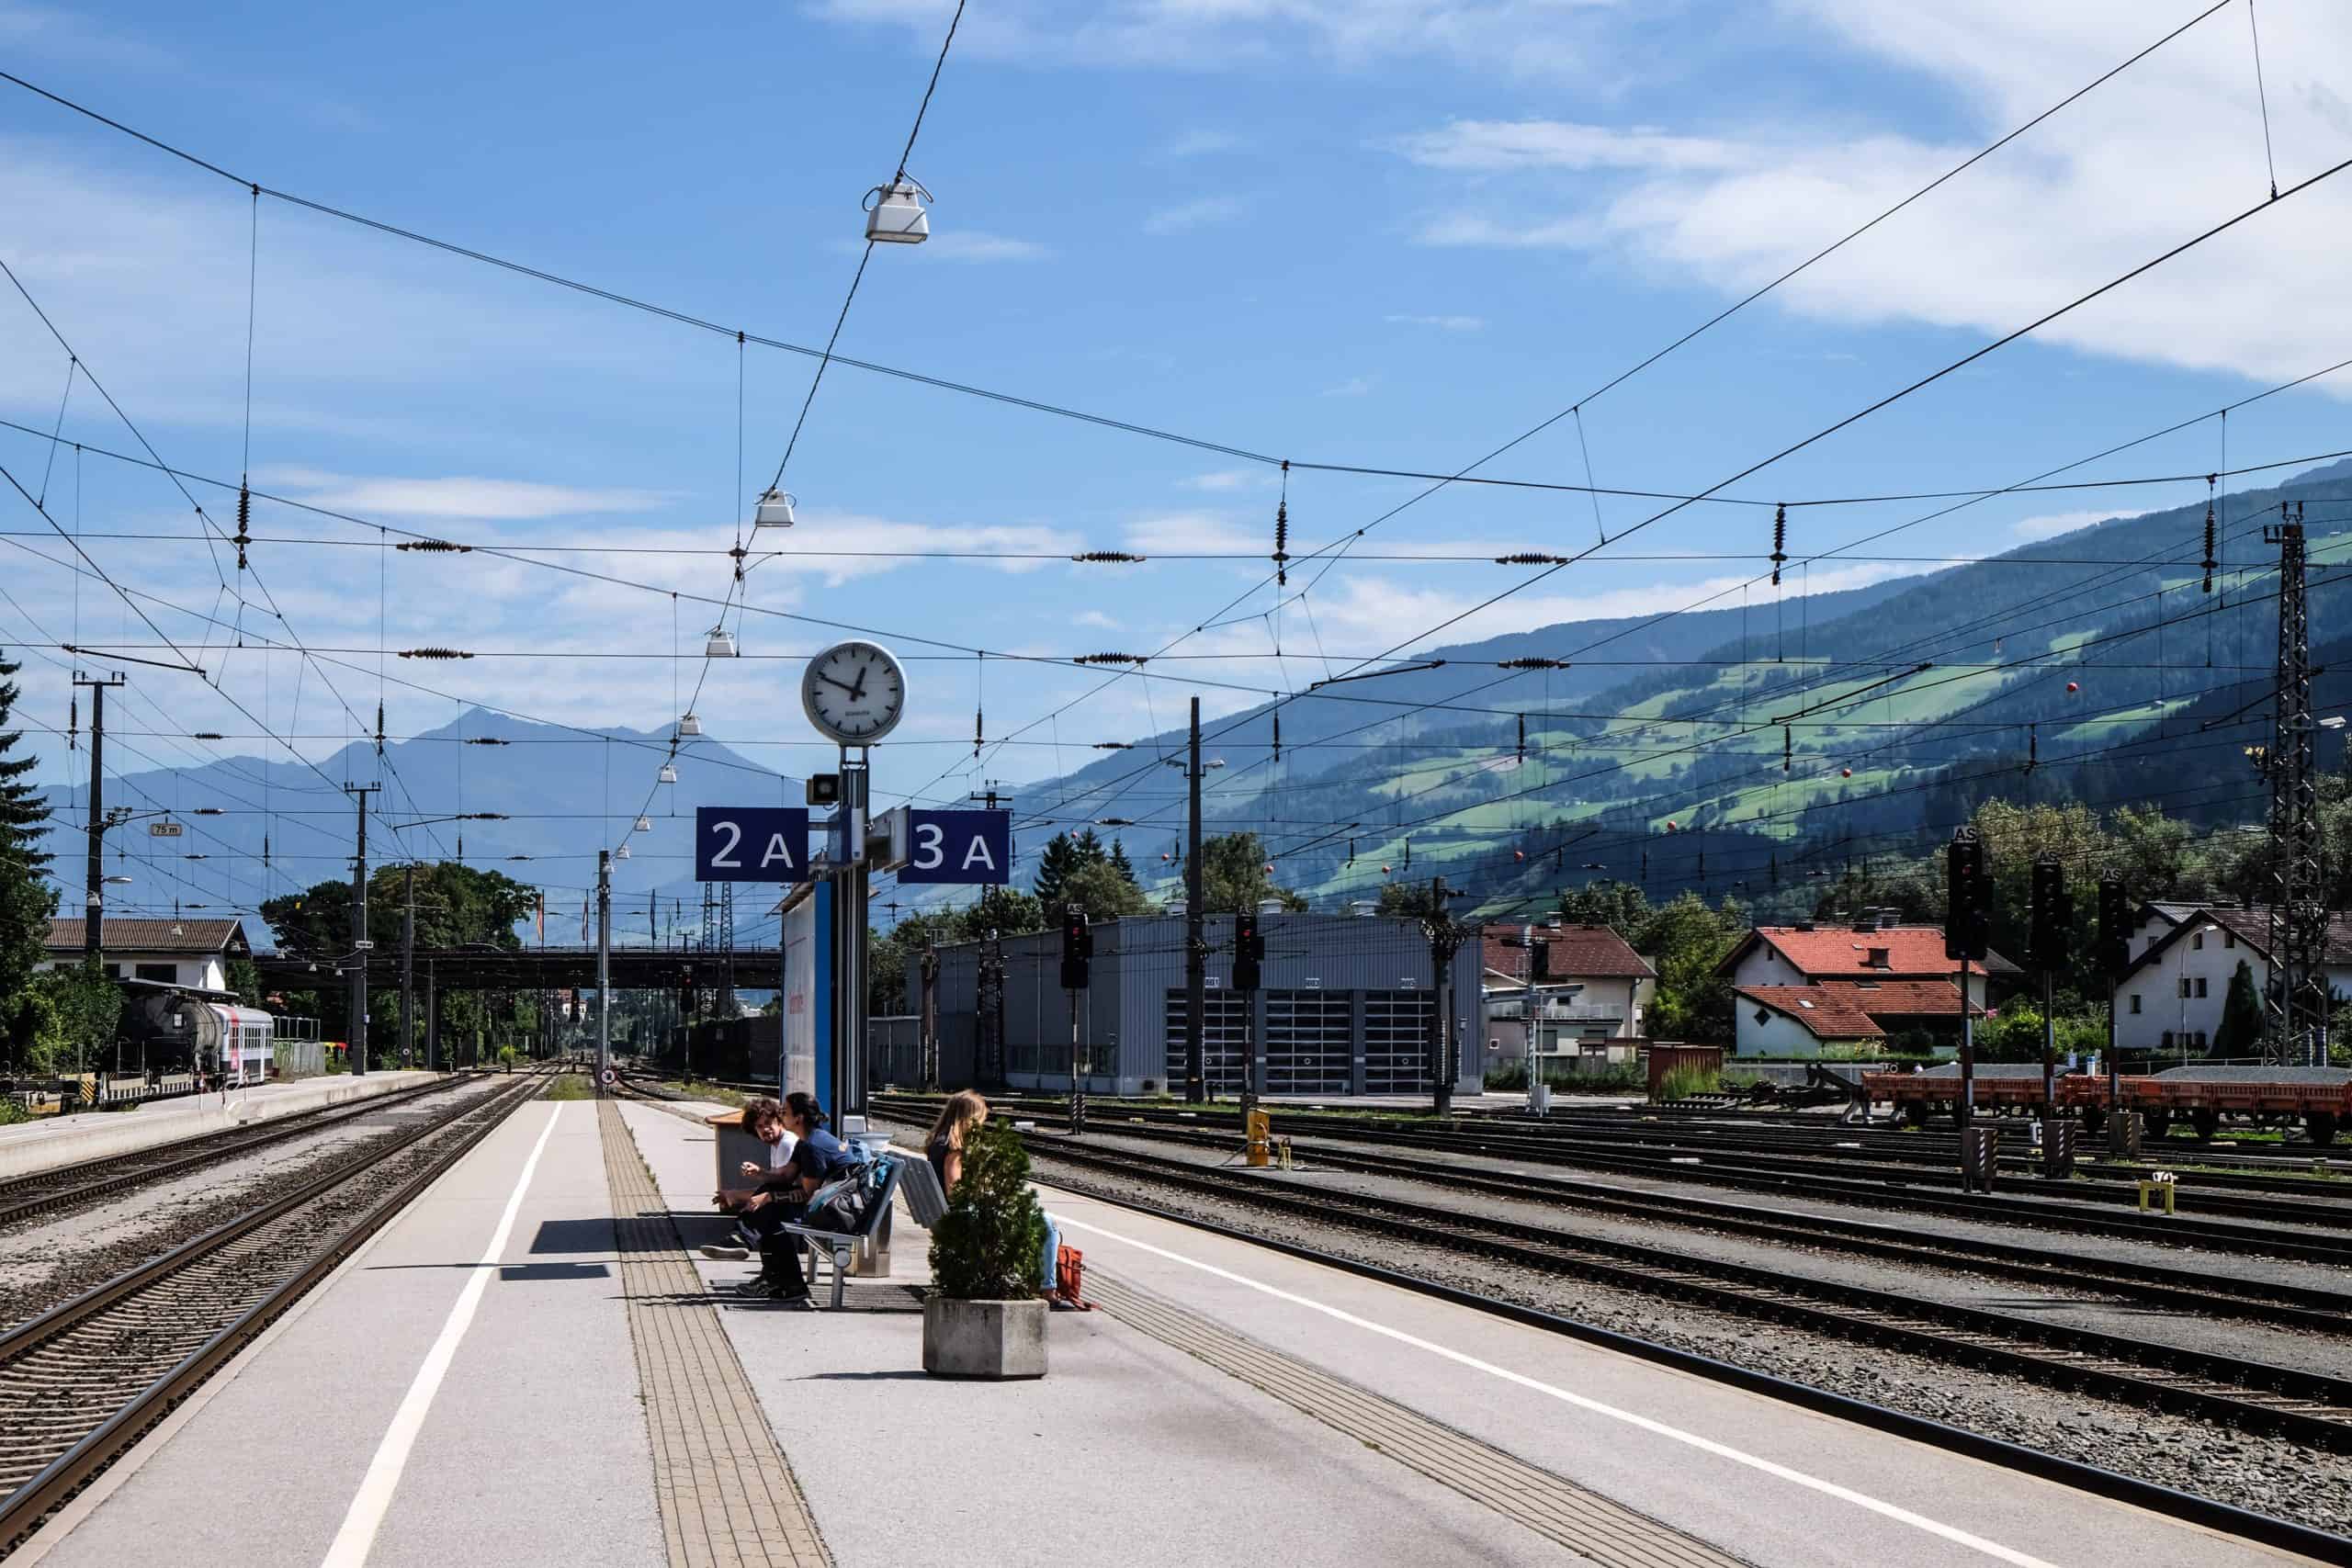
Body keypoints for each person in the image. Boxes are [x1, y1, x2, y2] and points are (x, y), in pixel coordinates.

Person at [713, 1091, 864, 1308]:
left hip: (839, 1213)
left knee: (772, 1212)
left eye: (785, 1111)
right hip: (832, 1204)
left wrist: (769, 1197)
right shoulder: (805, 1142)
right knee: (770, 1208)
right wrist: (761, 1176)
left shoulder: (813, 1147)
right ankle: (781, 1278)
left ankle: (748, 1244)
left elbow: (809, 1195)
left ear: (799, 1118)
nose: (780, 1114)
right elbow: (784, 1177)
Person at [704, 1098, 797, 1258]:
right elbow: (774, 1187)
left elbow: (780, 1185)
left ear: (779, 1121)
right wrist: (734, 1194)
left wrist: (757, 1175)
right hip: (788, 1198)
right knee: (762, 1210)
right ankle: (771, 1275)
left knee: (762, 1209)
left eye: (769, 1123)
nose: (765, 1129)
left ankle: (740, 1239)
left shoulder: (786, 1144)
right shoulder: (777, 1145)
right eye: (760, 1126)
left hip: (800, 1204)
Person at [924, 1089, 989, 1195]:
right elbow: (954, 1194)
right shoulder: (954, 1149)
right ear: (971, 1119)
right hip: (954, 1209)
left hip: (937, 1205)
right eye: (981, 1119)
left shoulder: (939, 1141)